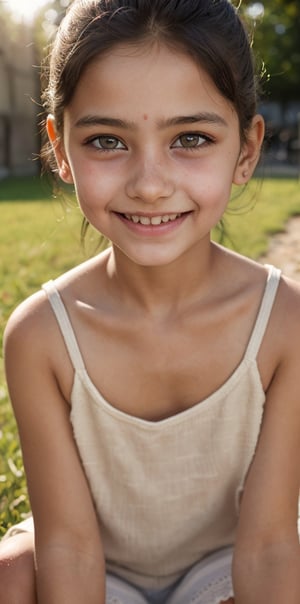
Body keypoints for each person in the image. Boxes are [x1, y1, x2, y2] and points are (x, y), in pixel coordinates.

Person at [0, 0, 299, 602]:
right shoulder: (41, 336)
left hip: (226, 565)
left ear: (245, 149)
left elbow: (267, 548)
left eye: (190, 137)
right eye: (107, 140)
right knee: (10, 572)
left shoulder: (284, 322)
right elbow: (68, 548)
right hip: (97, 569)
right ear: (59, 148)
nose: (150, 182)